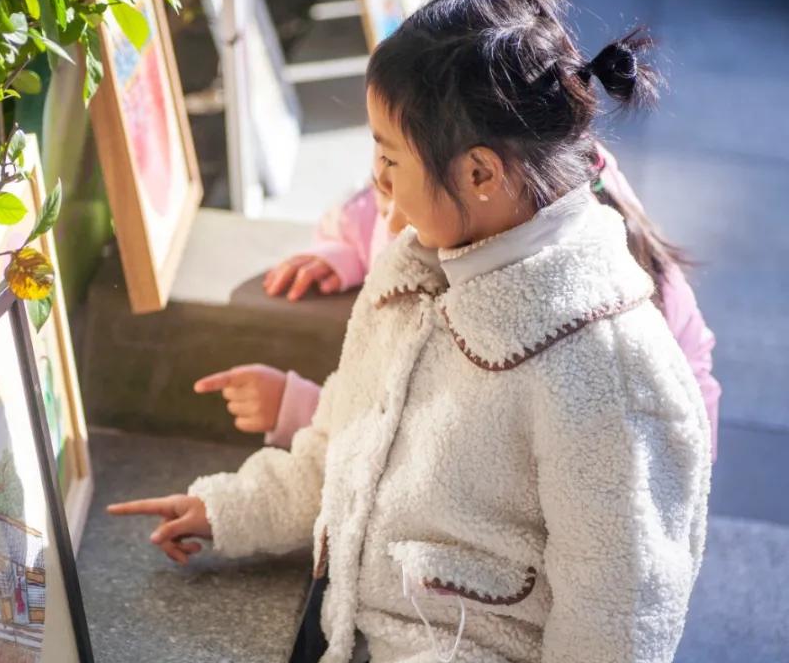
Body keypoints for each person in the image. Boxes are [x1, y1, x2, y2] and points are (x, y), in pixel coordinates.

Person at [109, 0, 712, 663]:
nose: (378, 184)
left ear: (481, 174)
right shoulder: (413, 269)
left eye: (390, 159)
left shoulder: (611, 374)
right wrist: (230, 509)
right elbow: (340, 451)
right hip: (363, 644)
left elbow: (616, 630)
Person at [196, 142, 721, 461]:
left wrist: (306, 411)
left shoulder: (529, 320)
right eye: (381, 169)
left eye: (395, 169)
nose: (387, 211)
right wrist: (341, 251)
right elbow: (360, 210)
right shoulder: (504, 215)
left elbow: (440, 447)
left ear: (480, 179)